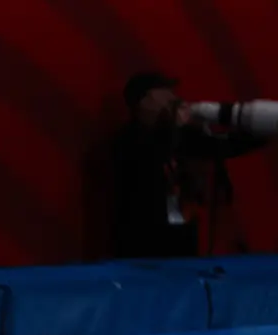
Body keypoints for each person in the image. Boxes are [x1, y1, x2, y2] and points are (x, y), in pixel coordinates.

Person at [110, 71, 266, 258]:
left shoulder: (181, 135)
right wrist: (176, 126)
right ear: (145, 100)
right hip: (143, 244)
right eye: (164, 92)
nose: (172, 97)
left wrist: (262, 126)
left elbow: (223, 146)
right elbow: (148, 161)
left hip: (182, 238)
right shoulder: (126, 141)